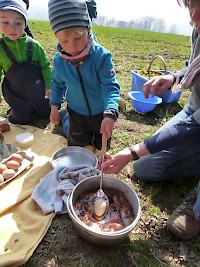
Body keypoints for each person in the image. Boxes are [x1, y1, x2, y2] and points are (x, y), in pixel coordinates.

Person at [100, 0, 200, 240]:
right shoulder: (198, 27)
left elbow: (191, 126)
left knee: (140, 156)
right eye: (192, 6)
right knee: (145, 168)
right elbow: (194, 67)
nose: (194, 16)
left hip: (195, 122)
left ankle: (197, 207)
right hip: (194, 110)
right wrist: (172, 78)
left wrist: (132, 150)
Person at [48, 0, 120, 150]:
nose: (72, 46)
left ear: (88, 29)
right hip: (76, 112)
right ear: (57, 38)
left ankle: (69, 118)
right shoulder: (59, 61)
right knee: (76, 143)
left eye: (78, 37)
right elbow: (57, 84)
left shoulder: (101, 56)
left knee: (102, 145)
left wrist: (110, 113)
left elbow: (110, 86)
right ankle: (65, 117)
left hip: (101, 112)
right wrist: (54, 106)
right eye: (64, 41)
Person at [0, 0, 51, 124]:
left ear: (25, 23)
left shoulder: (34, 45)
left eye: (18, 23)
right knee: (21, 120)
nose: (12, 28)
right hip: (16, 93)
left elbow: (45, 66)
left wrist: (49, 86)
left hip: (37, 90)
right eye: (5, 22)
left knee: (46, 113)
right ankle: (16, 110)